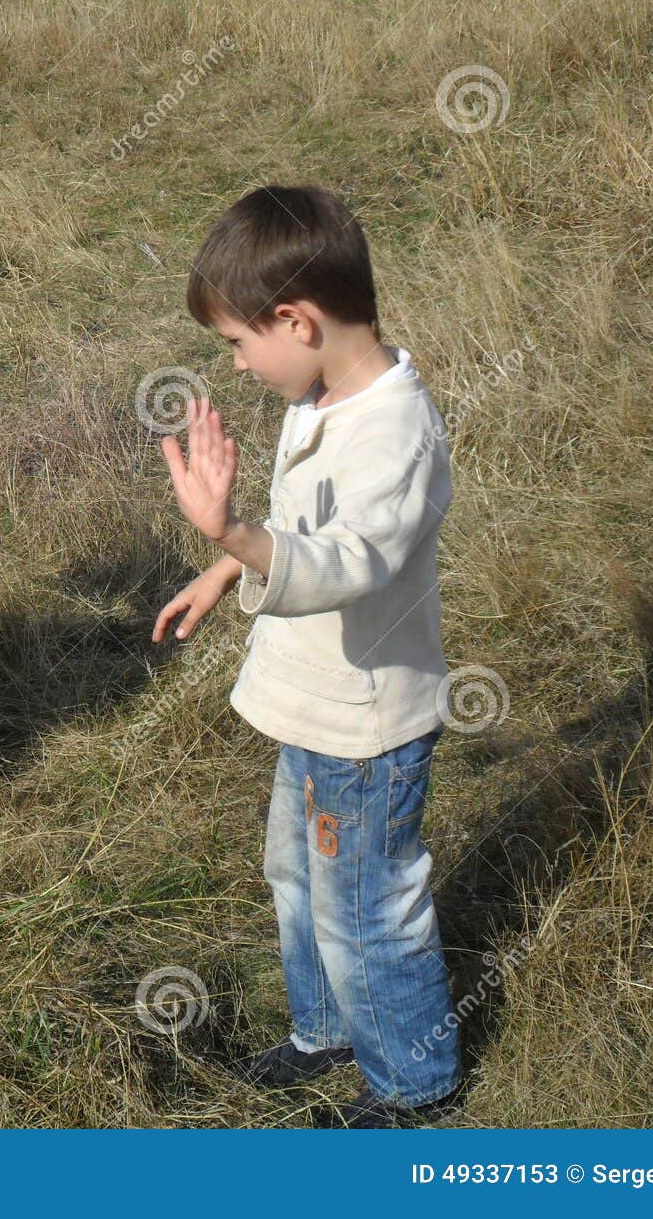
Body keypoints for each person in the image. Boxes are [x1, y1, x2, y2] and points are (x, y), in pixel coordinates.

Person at [152, 184, 462, 1128]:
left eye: (240, 344)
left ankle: (414, 1083)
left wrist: (235, 529)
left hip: (365, 728)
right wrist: (222, 567)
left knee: (370, 906)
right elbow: (301, 526)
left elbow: (348, 562)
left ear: (297, 319)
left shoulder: (395, 433)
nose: (239, 365)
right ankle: (324, 1029)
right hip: (311, 711)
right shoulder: (322, 393)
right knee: (297, 873)